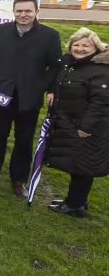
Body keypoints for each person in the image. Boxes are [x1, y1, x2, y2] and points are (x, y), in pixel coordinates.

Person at [0, 0, 62, 198]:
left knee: (23, 140)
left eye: (28, 11)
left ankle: (18, 180)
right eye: (19, 11)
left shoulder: (50, 35)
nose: (23, 14)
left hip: (30, 98)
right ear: (13, 11)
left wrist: (41, 87)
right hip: (1, 95)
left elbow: (55, 67)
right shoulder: (1, 31)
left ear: (36, 12)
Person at [46, 28, 109, 217]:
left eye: (85, 45)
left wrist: (86, 127)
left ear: (95, 48)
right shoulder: (71, 64)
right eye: (76, 44)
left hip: (88, 127)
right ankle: (76, 200)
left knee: (84, 166)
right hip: (71, 122)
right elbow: (59, 81)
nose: (80, 49)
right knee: (77, 163)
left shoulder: (101, 70)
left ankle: (75, 206)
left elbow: (101, 101)